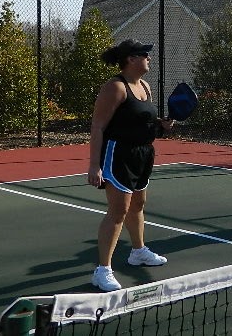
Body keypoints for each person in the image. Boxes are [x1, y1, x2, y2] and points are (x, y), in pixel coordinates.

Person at [87, 38, 175, 291]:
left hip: (143, 154)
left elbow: (139, 117)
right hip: (119, 155)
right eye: (144, 55)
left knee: (138, 204)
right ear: (131, 59)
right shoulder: (115, 87)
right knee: (118, 211)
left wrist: (161, 124)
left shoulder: (145, 86)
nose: (149, 58)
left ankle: (138, 252)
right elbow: (98, 126)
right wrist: (95, 165)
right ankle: (102, 270)